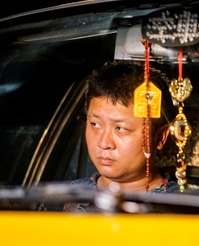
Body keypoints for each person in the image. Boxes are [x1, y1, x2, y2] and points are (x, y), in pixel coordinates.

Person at [63, 60, 178, 211]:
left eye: (120, 128)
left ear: (160, 137)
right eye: (95, 125)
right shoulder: (64, 200)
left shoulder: (184, 210)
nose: (104, 143)